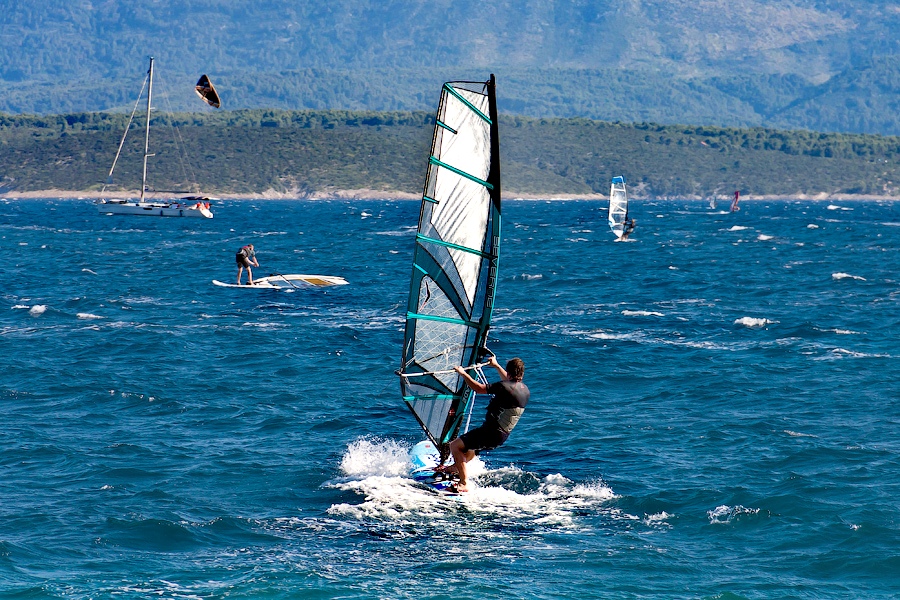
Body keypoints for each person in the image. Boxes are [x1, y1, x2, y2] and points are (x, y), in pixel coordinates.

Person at [445, 355, 530, 493]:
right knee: (471, 447)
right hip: (501, 436)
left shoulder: (504, 387)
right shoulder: (524, 390)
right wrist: (496, 365)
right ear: (521, 374)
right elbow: (508, 382)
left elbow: (478, 389)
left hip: (491, 432)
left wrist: (463, 373)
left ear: (508, 373)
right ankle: (457, 467)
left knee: (455, 446)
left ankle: (464, 482)